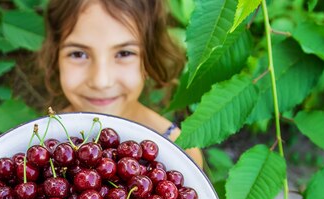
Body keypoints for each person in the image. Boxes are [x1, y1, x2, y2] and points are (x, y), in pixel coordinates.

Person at [37, 0, 203, 168]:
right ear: (55, 57)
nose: (101, 82)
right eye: (78, 54)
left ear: (149, 58)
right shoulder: (38, 143)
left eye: (124, 53)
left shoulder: (181, 150)